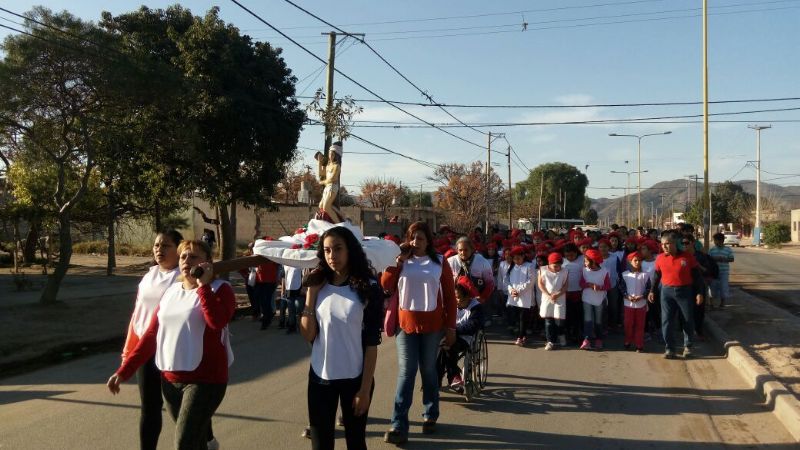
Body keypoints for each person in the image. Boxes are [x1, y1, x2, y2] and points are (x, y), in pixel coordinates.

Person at [108, 239, 235, 450]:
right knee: (195, 443)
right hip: (170, 380)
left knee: (183, 444)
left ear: (207, 263)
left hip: (205, 381)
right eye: (184, 256)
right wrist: (124, 371)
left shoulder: (221, 290)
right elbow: (151, 335)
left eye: (194, 256)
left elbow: (217, 322)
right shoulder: (171, 292)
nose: (187, 260)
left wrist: (203, 286)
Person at [300, 226, 383, 450]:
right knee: (321, 444)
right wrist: (311, 295)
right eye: (327, 250)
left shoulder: (369, 287)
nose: (332, 256)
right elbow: (308, 334)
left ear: (350, 251)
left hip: (355, 379)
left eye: (337, 249)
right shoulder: (319, 285)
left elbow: (372, 343)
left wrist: (364, 390)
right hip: (320, 377)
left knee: (355, 443)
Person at [120, 230, 200, 450]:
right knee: (150, 406)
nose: (159, 250)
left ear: (179, 250)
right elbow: (138, 313)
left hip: (173, 350)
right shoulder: (150, 275)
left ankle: (206, 438)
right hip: (146, 351)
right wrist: (130, 348)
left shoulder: (184, 277)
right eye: (156, 245)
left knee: (183, 406)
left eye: (165, 246)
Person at [381, 221, 457, 445]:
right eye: (413, 238)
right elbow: (386, 284)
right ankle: (398, 424)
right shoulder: (401, 261)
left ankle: (430, 413)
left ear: (428, 241)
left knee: (428, 369)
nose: (416, 242)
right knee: (407, 371)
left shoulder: (440, 262)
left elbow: (451, 298)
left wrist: (451, 327)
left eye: (421, 238)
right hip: (405, 324)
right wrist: (399, 262)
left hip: (433, 325)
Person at [647, 232, 705, 359]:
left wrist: (700, 293)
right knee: (667, 320)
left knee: (687, 319)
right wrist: (652, 291)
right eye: (662, 244)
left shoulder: (687, 257)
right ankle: (670, 348)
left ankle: (688, 346)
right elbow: (656, 276)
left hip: (685, 291)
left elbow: (697, 276)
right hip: (666, 292)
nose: (665, 247)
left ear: (674, 243)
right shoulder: (660, 258)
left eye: (667, 244)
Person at [437, 276, 484, 393]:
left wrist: (453, 330)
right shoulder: (450, 304)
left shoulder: (475, 307)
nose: (456, 300)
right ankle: (441, 378)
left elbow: (472, 326)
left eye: (458, 298)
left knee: (448, 346)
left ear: (468, 297)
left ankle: (449, 377)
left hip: (464, 337)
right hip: (447, 334)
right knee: (439, 348)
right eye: (455, 297)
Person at [580, 249, 611, 350]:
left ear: (593, 261)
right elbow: (581, 283)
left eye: (586, 261)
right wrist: (588, 284)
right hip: (587, 298)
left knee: (598, 320)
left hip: (599, 300)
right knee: (588, 319)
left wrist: (600, 287)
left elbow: (608, 285)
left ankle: (599, 339)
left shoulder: (604, 271)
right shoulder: (584, 270)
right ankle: (587, 339)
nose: (585, 263)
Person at [620, 252, 651, 352]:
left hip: (641, 304)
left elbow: (648, 288)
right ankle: (627, 341)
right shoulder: (625, 275)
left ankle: (639, 344)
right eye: (635, 260)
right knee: (628, 324)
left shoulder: (645, 275)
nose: (637, 262)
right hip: (628, 304)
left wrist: (642, 296)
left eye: (639, 260)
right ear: (630, 261)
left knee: (640, 325)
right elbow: (621, 287)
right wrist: (627, 296)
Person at [505, 246, 535, 346]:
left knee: (523, 317)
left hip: (524, 296)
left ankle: (520, 337)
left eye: (518, 258)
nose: (516, 260)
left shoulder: (529, 266)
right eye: (514, 258)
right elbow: (506, 280)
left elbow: (531, 281)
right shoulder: (512, 266)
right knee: (517, 317)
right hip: (513, 295)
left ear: (523, 256)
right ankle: (523, 334)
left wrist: (519, 290)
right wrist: (511, 290)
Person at [538, 252, 568, 350]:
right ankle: (550, 341)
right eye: (555, 266)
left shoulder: (565, 271)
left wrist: (558, 294)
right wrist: (548, 294)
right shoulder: (543, 270)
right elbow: (540, 284)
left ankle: (561, 335)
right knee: (548, 320)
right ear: (549, 264)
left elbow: (565, 286)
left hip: (560, 297)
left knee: (559, 320)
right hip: (547, 298)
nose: (557, 268)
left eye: (559, 266)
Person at [562, 243, 584, 343]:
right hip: (566, 292)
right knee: (568, 315)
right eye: (567, 255)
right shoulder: (562, 261)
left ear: (576, 253)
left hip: (579, 292)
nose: (570, 257)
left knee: (578, 315)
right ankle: (568, 334)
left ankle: (577, 334)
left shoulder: (582, 259)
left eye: (572, 255)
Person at [708, 232, 734, 309]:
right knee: (712, 288)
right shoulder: (712, 250)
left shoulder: (728, 249)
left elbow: (732, 259)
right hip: (713, 272)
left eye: (716, 240)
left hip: (724, 272)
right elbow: (708, 260)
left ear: (721, 241)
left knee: (723, 288)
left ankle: (722, 304)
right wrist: (713, 259)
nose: (715, 242)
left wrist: (724, 259)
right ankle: (711, 304)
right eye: (714, 240)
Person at [279, 263, 303, 333]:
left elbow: (304, 275)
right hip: (289, 289)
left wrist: (304, 288)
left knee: (299, 308)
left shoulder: (300, 263)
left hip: (299, 289)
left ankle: (303, 326)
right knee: (290, 309)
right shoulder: (285, 263)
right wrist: (283, 289)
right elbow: (284, 277)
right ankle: (292, 326)